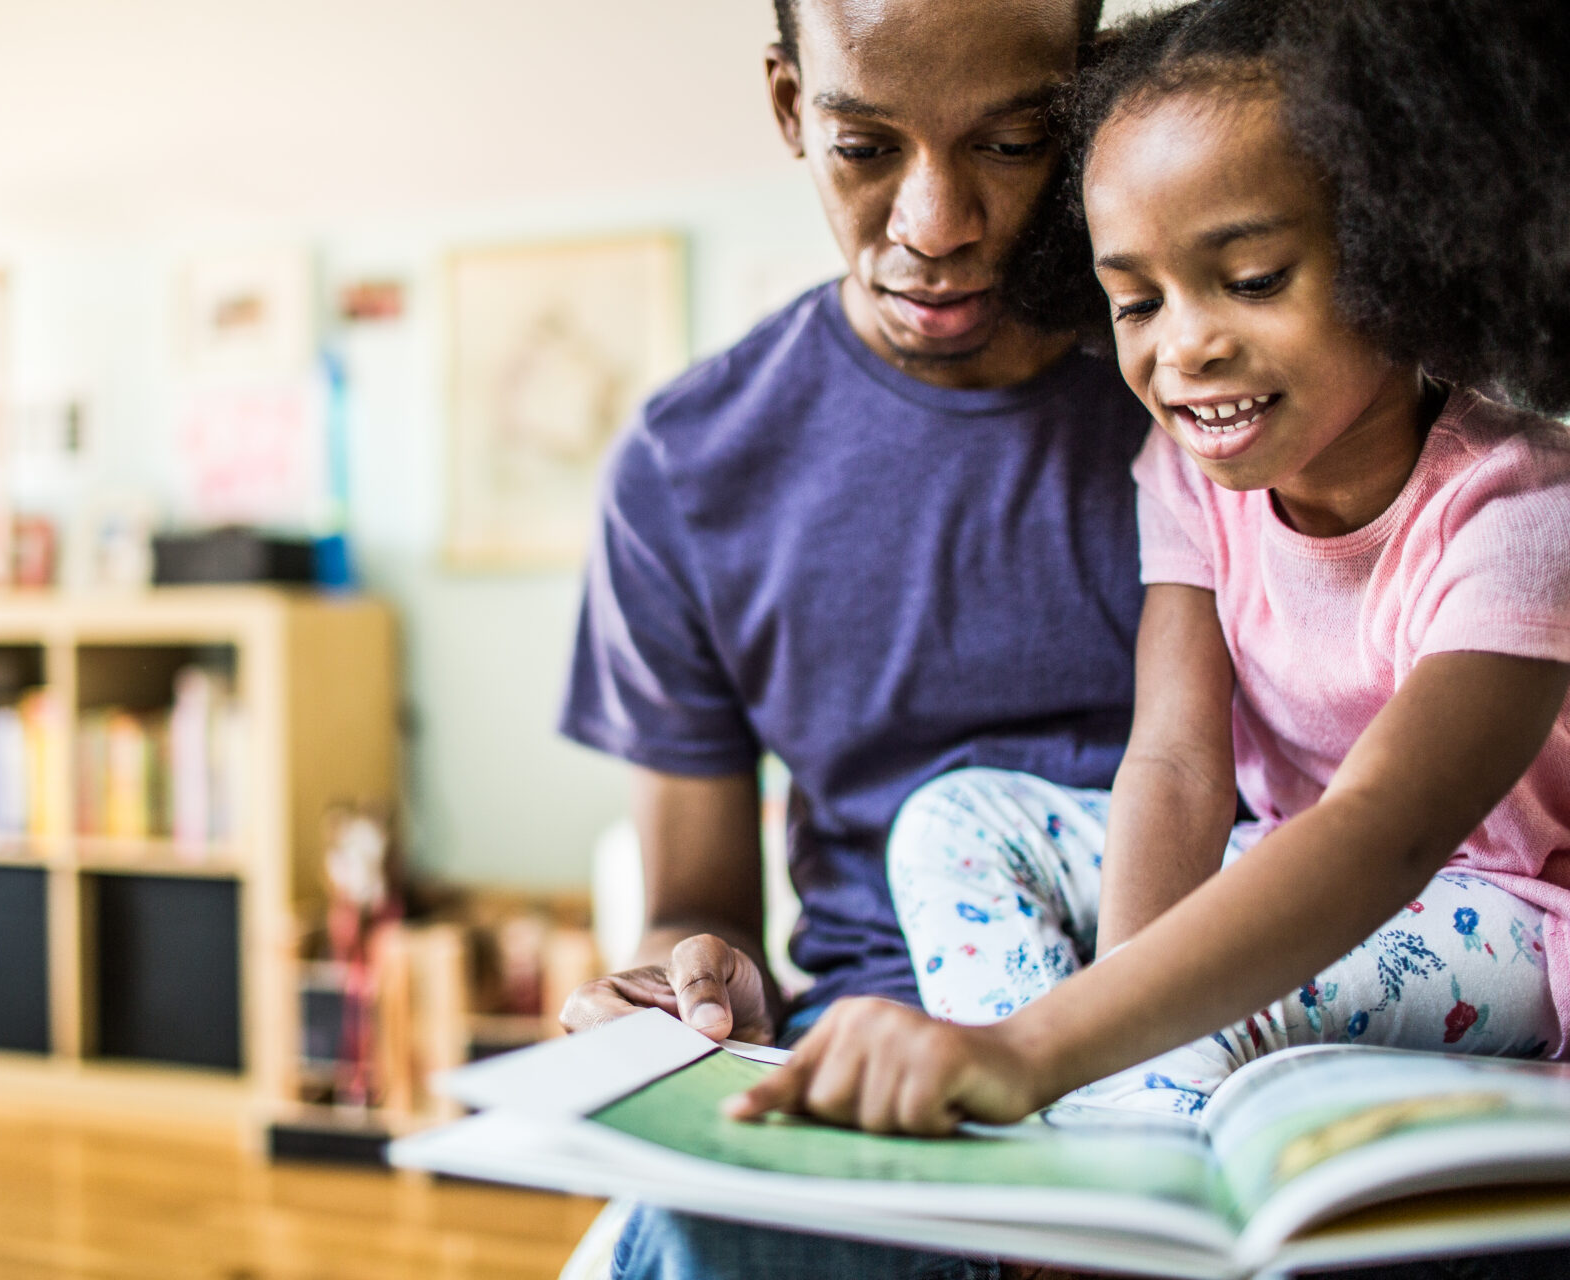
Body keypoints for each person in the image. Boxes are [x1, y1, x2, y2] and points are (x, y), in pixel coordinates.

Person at [728, 0, 1570, 1159]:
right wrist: (1108, 1015)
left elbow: (1387, 828)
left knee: (1227, 979)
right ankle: (1067, 1143)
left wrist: (1045, 1042)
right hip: (1281, 852)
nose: (1184, 347)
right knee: (954, 820)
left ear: (1406, 248)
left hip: (1516, 916)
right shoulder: (1187, 474)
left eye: (1255, 278)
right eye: (1136, 300)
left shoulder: (1522, 508)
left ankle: (1115, 1168)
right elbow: (1174, 760)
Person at [556, 0, 1148, 1273]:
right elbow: (693, 904)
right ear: (788, 107)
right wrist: (690, 989)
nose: (935, 226)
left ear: (1090, 103)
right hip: (874, 1088)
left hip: (1215, 1033)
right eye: (866, 147)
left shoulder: (1219, 389)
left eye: (1012, 142)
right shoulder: (686, 470)